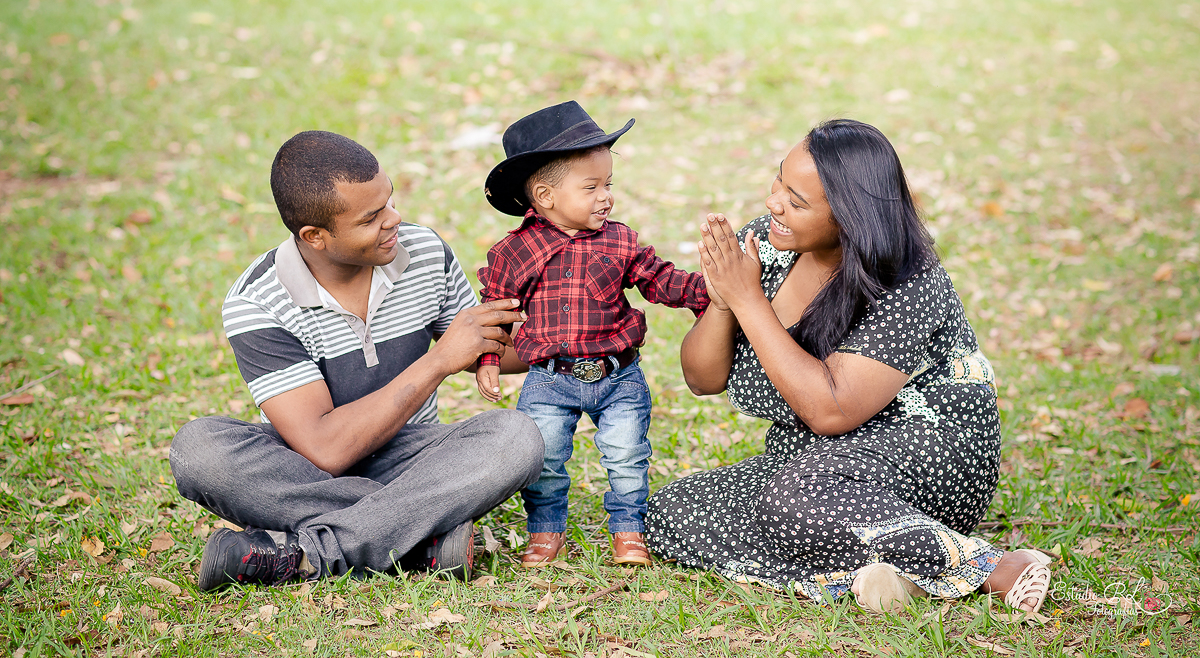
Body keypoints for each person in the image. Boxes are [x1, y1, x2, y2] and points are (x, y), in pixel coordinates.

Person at [645, 119, 1052, 614]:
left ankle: (994, 567)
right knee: (670, 512)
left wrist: (749, 300)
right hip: (812, 464)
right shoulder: (768, 244)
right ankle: (894, 578)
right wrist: (727, 301)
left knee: (795, 499)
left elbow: (831, 411)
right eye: (779, 181)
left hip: (928, 455)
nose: (774, 203)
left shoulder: (909, 283)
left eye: (797, 201)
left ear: (850, 218)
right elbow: (702, 378)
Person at [169, 131, 544, 591]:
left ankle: (307, 553)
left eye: (389, 201)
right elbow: (325, 448)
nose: (394, 219)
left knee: (515, 437)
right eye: (372, 218)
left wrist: (585, 333)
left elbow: (478, 348)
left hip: (412, 456)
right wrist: (437, 362)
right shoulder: (258, 301)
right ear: (315, 236)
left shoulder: (422, 251)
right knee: (199, 450)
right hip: (301, 470)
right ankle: (415, 538)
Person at [476, 101, 709, 568]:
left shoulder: (619, 240)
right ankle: (545, 533)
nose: (606, 197)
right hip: (549, 378)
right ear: (544, 196)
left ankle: (629, 531)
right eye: (591, 187)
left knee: (627, 458)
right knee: (543, 461)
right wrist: (487, 360)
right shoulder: (514, 252)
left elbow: (659, 279)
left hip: (618, 376)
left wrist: (712, 293)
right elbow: (496, 312)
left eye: (609, 185)